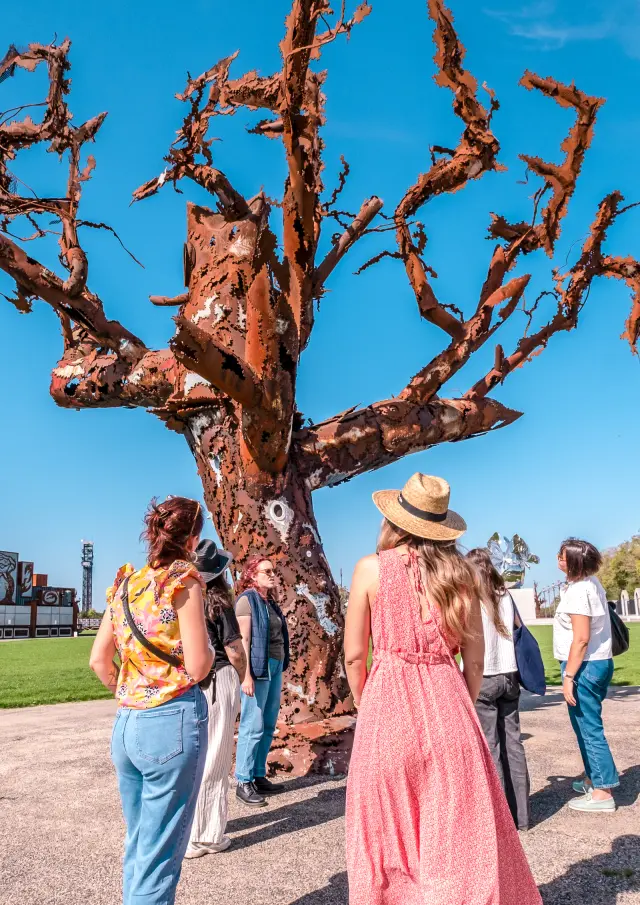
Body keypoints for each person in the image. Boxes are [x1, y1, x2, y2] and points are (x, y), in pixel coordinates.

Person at [344, 473, 541, 905]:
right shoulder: (462, 576)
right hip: (448, 698)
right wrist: (458, 704)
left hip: (388, 704)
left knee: (388, 826)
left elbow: (355, 656)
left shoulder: (369, 569)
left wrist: (368, 702)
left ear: (395, 522)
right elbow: (474, 660)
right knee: (456, 830)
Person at [89, 496, 213, 905]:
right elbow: (197, 665)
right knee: (160, 855)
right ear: (193, 538)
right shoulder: (183, 578)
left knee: (140, 841)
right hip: (170, 719)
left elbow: (99, 660)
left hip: (127, 722)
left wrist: (132, 691)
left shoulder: (126, 582)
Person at [185, 539, 247, 859]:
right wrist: (242, 674)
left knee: (197, 756)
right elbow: (234, 649)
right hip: (219, 676)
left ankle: (193, 825)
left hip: (191, 681)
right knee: (218, 757)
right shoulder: (219, 602)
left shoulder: (183, 601)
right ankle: (206, 835)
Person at [467, 547, 531, 831]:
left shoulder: (469, 596)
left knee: (490, 747)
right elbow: (518, 629)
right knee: (513, 744)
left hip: (485, 677)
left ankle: (499, 819)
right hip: (510, 675)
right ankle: (522, 816)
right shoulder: (506, 594)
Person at [554, 537, 618, 812]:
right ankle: (595, 777)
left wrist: (568, 676)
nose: (558, 558)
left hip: (585, 666)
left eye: (562, 555)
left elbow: (581, 638)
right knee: (584, 725)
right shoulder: (590, 584)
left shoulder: (579, 591)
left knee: (589, 728)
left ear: (574, 562)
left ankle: (603, 792)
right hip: (596, 663)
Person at [234, 555, 290, 806]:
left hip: (275, 666)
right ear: (252, 576)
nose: (271, 574)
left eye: (272, 571)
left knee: (268, 723)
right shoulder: (247, 601)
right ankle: (243, 780)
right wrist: (246, 676)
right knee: (252, 724)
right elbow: (243, 641)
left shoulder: (270, 603)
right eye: (265, 571)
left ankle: (258, 774)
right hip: (258, 668)